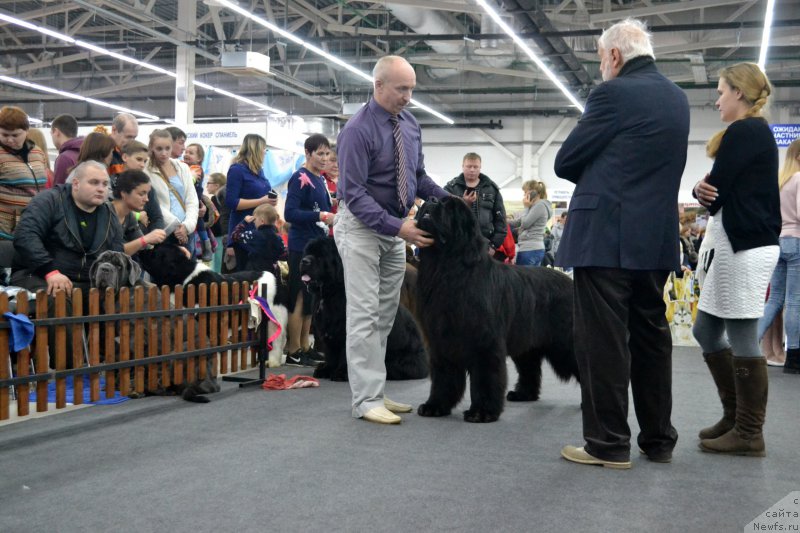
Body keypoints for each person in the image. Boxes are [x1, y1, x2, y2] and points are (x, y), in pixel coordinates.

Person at [554, 18, 690, 468]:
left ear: (614, 55)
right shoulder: (678, 98)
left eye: (600, 59)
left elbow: (566, 161)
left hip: (605, 237)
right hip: (655, 238)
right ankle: (659, 439)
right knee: (652, 339)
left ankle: (608, 443)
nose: (601, 67)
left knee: (603, 342)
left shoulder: (611, 94)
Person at [335, 55, 449, 425]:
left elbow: (418, 177)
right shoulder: (357, 131)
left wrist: (450, 201)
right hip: (362, 229)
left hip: (393, 229)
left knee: (385, 315)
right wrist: (399, 228)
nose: (408, 97)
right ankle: (365, 400)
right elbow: (353, 194)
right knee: (364, 315)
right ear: (379, 85)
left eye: (411, 89)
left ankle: (375, 390)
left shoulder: (410, 125)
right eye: (401, 89)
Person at [691, 62, 780, 457]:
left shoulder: (744, 131)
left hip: (745, 247)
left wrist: (701, 189)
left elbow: (715, 192)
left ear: (739, 93)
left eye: (721, 91)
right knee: (705, 330)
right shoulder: (751, 132)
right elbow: (712, 191)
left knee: (742, 336)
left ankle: (748, 431)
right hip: (736, 245)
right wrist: (701, 189)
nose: (717, 100)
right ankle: (734, 416)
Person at [11, 161, 125, 367]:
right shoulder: (49, 200)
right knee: (60, 297)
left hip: (87, 280)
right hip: (36, 274)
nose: (101, 189)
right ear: (76, 184)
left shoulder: (108, 212)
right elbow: (25, 236)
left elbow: (116, 252)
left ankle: (122, 364)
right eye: (94, 182)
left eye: (105, 184)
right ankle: (71, 371)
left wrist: (116, 281)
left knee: (134, 293)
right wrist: (50, 271)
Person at [284, 133, 333, 367]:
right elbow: (290, 213)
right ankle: (293, 349)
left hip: (317, 246)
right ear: (308, 153)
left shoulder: (319, 179)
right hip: (301, 246)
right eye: (320, 153)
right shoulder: (299, 178)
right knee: (299, 298)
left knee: (311, 298)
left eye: (327, 154)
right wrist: (320, 215)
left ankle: (305, 345)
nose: (324, 158)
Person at [757, 138, 800, 374]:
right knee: (794, 301)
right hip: (797, 242)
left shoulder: (780, 181)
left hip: (779, 241)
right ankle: (794, 357)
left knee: (774, 300)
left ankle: (745, 347)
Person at [225, 134, 277, 271]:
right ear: (256, 149)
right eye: (264, 149)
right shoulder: (237, 170)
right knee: (245, 274)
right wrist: (261, 201)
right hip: (243, 230)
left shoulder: (259, 171)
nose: (265, 152)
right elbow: (231, 202)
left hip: (260, 231)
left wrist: (270, 201)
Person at [144, 129, 198, 251]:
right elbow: (152, 202)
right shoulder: (146, 170)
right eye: (159, 149)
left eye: (167, 148)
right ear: (151, 148)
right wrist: (176, 226)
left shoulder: (182, 167)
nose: (164, 153)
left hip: (186, 231)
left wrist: (187, 226)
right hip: (163, 231)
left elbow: (191, 199)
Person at [0, 106, 48, 240]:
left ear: (26, 131)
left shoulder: (38, 152)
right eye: (4, 135)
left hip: (34, 223)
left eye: (15, 135)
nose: (10, 140)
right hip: (5, 230)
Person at [444, 153, 506, 253]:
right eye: (469, 166)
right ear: (463, 166)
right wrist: (462, 204)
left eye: (475, 167)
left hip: (485, 245)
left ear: (480, 167)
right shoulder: (450, 188)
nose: (472, 170)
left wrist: (494, 245)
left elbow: (501, 220)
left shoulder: (492, 189)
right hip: (456, 246)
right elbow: (444, 216)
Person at [110, 170, 167, 255]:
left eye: (147, 194)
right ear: (124, 193)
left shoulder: (129, 215)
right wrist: (145, 239)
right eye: (141, 194)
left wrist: (175, 251)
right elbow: (112, 252)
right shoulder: (106, 213)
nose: (146, 199)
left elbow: (145, 246)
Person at [229, 203, 286, 276]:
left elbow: (235, 236)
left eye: (255, 220)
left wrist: (244, 222)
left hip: (255, 273)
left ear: (262, 221)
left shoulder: (254, 235)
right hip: (272, 273)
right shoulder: (278, 238)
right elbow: (284, 255)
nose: (254, 222)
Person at [121, 140, 164, 231]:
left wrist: (154, 236)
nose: (142, 165)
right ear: (125, 157)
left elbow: (157, 218)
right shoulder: (113, 183)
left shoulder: (148, 187)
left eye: (145, 161)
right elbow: (112, 211)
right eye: (139, 159)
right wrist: (137, 216)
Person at [508, 180, 551, 266]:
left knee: (523, 275)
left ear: (533, 192)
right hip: (531, 249)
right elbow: (519, 221)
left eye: (525, 192)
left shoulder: (539, 205)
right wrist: (503, 220)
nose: (524, 195)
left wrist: (526, 207)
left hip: (530, 249)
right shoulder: (535, 206)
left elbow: (525, 223)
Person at [184, 142, 214, 261]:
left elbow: (189, 180)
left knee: (199, 223)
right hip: (186, 201)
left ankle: (206, 246)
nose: (186, 154)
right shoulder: (182, 165)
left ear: (199, 158)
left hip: (194, 199)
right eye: (186, 152)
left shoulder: (196, 168)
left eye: (191, 153)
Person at [51, 114, 84, 186]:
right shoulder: (86, 151)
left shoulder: (64, 158)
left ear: (56, 132)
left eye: (51, 133)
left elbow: (60, 190)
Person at [206, 172, 229, 273]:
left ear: (216, 185)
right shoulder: (221, 197)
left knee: (217, 264)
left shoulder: (217, 198)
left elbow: (219, 218)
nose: (206, 186)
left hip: (219, 235)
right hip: (219, 235)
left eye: (208, 183)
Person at [108, 113, 139, 178]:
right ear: (114, 130)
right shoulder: (103, 152)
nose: (132, 142)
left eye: (134, 137)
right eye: (128, 137)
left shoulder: (132, 153)